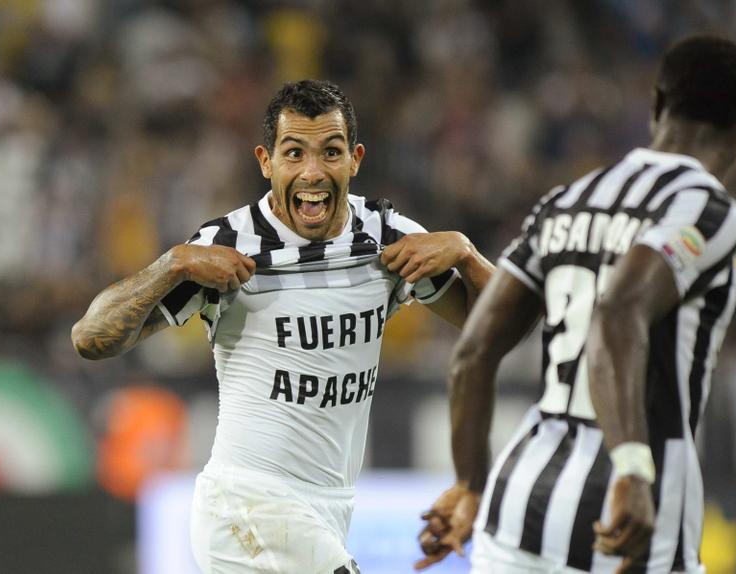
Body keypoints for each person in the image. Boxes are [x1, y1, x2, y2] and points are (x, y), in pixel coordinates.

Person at [71, 79, 494, 574]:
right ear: (266, 161)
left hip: (330, 509)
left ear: (355, 159)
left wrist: (467, 255)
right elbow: (90, 339)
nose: (313, 172)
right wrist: (171, 264)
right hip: (247, 504)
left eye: (330, 152)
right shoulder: (227, 245)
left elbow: (497, 329)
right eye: (294, 153)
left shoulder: (386, 238)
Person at [416, 35, 736, 574]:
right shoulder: (708, 210)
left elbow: (473, 351)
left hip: (516, 507)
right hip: (632, 513)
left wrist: (470, 485)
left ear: (656, 106)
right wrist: (631, 467)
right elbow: (619, 312)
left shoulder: (566, 199)